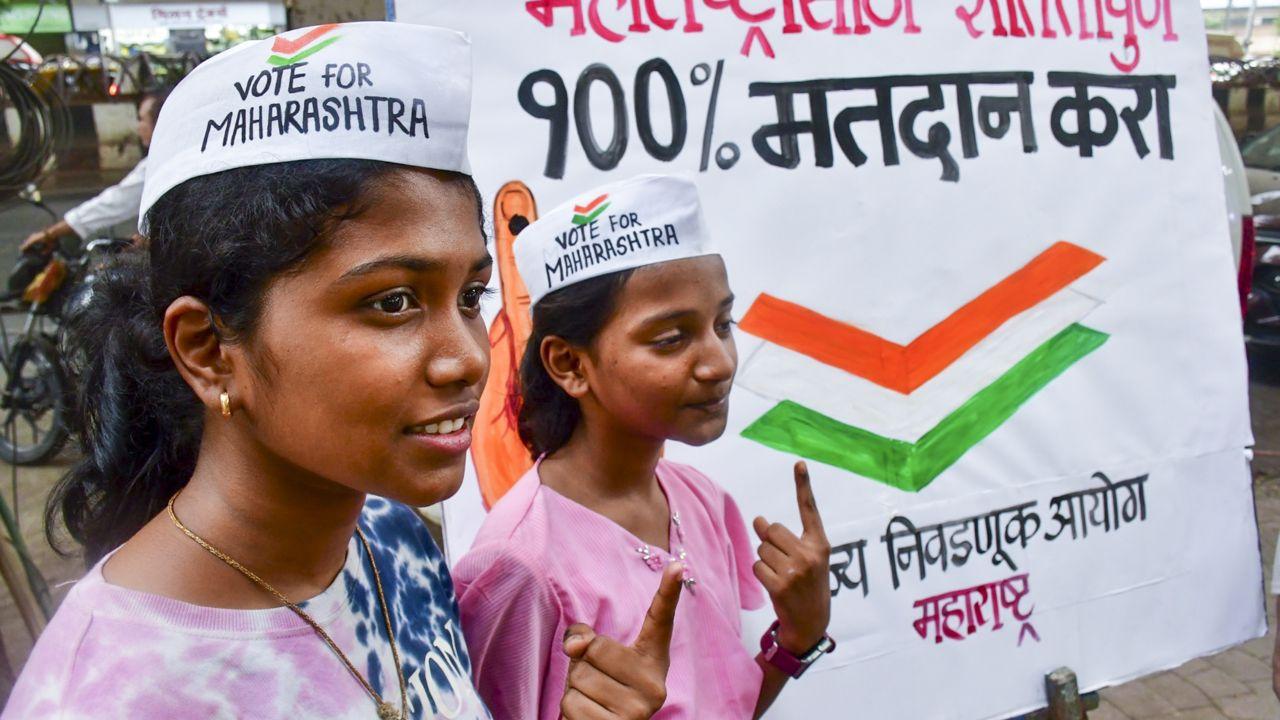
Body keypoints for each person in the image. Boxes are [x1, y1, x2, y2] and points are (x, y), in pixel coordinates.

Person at [4, 23, 675, 720]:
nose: (469, 358)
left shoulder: (391, 539)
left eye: (471, 297)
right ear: (207, 349)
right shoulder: (108, 694)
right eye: (392, 302)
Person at [454, 174, 837, 719]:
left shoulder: (699, 500)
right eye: (670, 339)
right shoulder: (518, 567)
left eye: (722, 324)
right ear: (569, 364)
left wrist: (798, 636)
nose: (719, 362)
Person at [21, 87, 168, 254]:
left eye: (141, 119)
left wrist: (50, 234)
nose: (138, 126)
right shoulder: (165, 159)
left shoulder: (161, 164)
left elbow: (116, 202)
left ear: (160, 123)